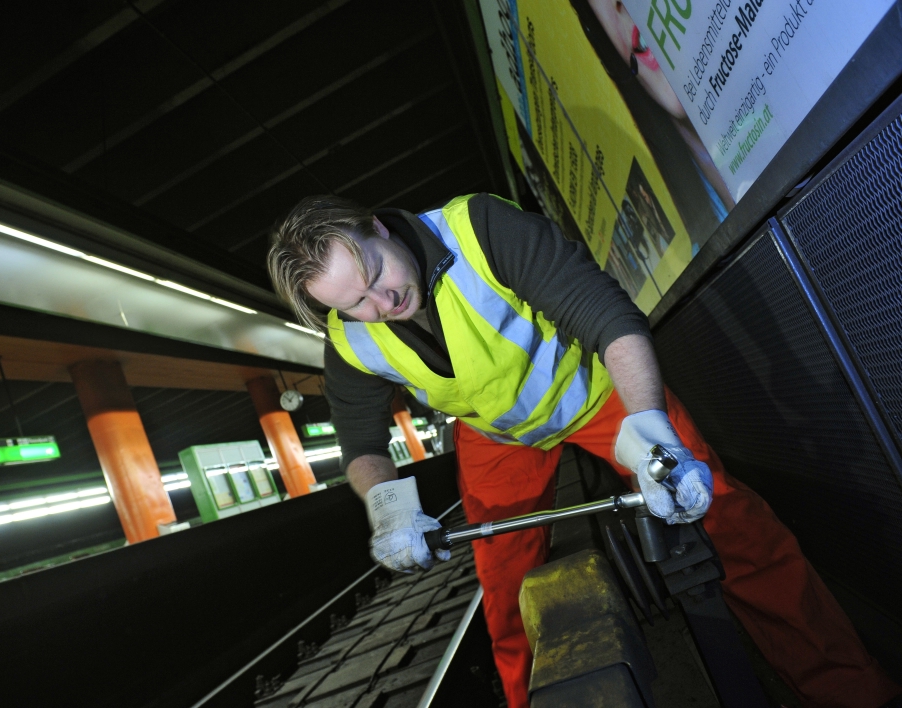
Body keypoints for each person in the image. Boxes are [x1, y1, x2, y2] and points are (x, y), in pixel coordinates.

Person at [267, 193, 900, 708]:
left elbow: (606, 315)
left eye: (377, 276)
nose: (383, 305)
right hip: (500, 436)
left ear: (380, 227)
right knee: (509, 595)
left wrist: (650, 426)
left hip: (594, 393)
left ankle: (851, 690)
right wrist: (387, 507)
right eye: (355, 304)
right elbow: (359, 439)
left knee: (726, 518)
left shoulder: (479, 229)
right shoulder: (348, 337)